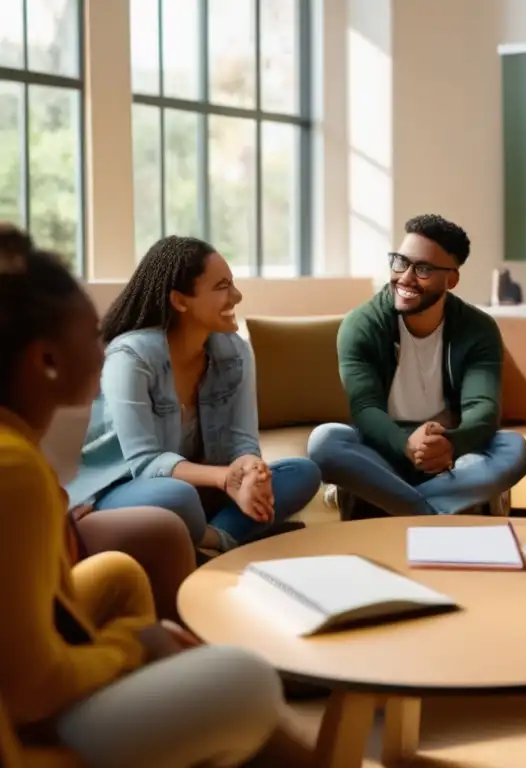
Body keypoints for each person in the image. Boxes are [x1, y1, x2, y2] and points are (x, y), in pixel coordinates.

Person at [0, 230, 316, 767]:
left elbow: (42, 604)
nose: (105, 351)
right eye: (92, 339)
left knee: (123, 576)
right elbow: (31, 690)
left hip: (51, 677)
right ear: (46, 360)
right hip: (26, 737)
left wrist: (248, 469)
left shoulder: (23, 450)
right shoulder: (16, 471)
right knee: (246, 677)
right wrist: (134, 647)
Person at [67, 236, 321, 553]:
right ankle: (225, 540)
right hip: (126, 487)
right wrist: (225, 478)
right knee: (177, 496)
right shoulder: (130, 359)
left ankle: (208, 540)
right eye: (222, 287)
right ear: (180, 300)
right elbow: (145, 463)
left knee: (303, 473)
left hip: (204, 487)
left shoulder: (235, 351)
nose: (237, 296)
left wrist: (251, 471)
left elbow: (242, 441)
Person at [308, 214, 526, 517]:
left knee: (514, 449)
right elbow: (365, 409)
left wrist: (451, 445)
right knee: (325, 441)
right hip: (383, 452)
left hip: (448, 455)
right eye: (400, 262)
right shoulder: (361, 324)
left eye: (423, 269)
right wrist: (406, 444)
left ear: (451, 279)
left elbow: (483, 409)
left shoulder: (478, 328)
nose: (405, 277)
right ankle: (434, 511)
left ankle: (393, 501)